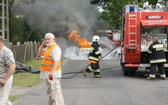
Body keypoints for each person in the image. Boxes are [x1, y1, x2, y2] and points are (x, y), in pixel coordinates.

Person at [36, 33, 65, 105]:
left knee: (55, 93)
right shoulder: (48, 48)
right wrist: (43, 44)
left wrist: (51, 72)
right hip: (47, 74)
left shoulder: (55, 48)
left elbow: (56, 61)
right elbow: (39, 54)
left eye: (48, 39)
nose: (47, 40)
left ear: (53, 40)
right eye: (46, 39)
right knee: (51, 93)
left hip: (53, 75)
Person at [0, 36, 16, 105]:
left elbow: (12, 66)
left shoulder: (6, 52)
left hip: (5, 78)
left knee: (2, 99)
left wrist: (5, 79)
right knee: (5, 99)